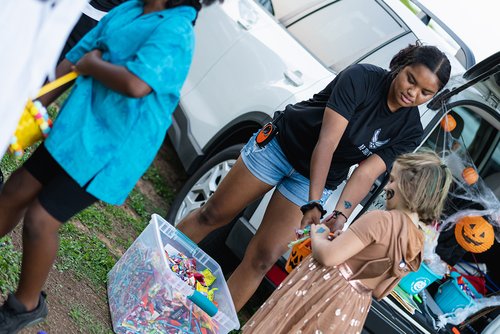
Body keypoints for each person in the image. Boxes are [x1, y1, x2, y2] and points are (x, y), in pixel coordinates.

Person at [177, 43, 452, 311]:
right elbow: (327, 142)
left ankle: (209, 325)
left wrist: (341, 216)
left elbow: (365, 173)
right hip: (281, 146)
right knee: (213, 215)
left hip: (314, 178)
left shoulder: (411, 130)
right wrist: (313, 204)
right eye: (411, 80)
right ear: (401, 66)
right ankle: (154, 267)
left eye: (426, 92)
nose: (413, 93)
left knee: (263, 258)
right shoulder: (362, 78)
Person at [0, 0, 220, 332]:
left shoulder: (175, 31)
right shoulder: (130, 8)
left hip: (112, 152)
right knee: (16, 189)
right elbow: (75, 59)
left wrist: (93, 65)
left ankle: (25, 306)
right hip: (76, 129)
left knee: (40, 220)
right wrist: (33, 108)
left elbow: (136, 84)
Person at [242, 150, 453, 333]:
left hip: (323, 293)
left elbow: (328, 256)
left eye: (393, 180)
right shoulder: (417, 241)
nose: (388, 186)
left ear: (408, 187)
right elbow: (380, 291)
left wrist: (319, 233)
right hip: (352, 309)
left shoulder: (381, 220)